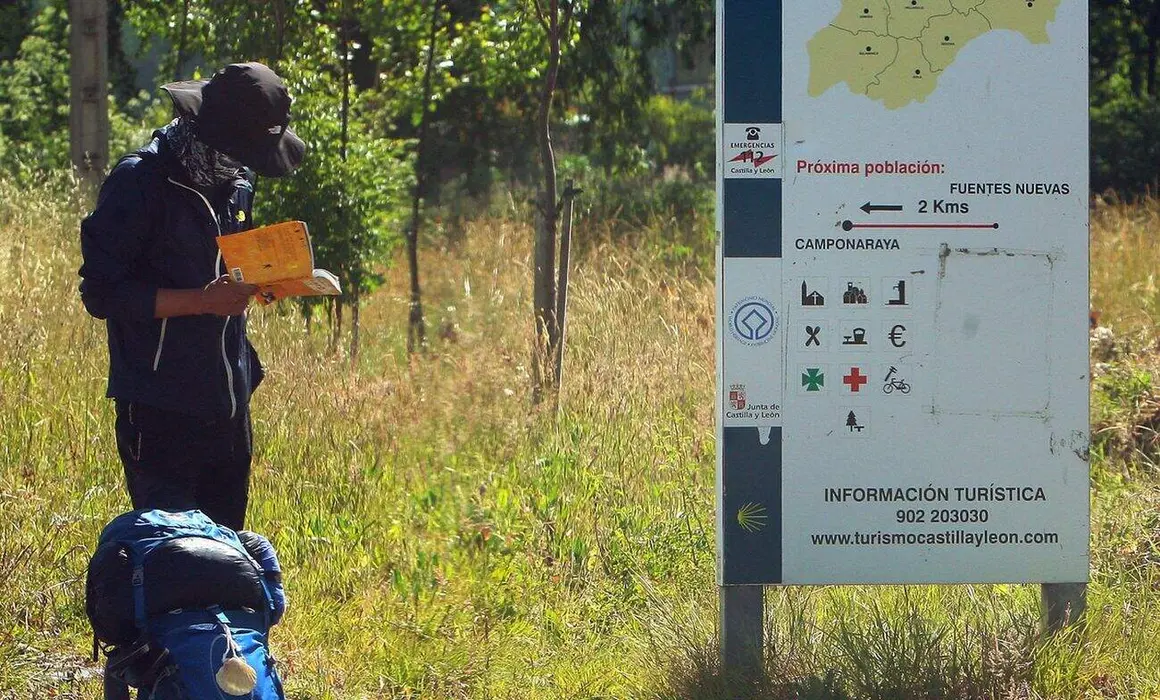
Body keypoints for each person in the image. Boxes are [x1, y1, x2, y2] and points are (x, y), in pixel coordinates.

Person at [78, 62, 306, 532]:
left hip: (228, 400)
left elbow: (226, 268)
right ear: (211, 133)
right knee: (175, 557)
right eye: (244, 151)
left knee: (227, 550)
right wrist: (202, 301)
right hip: (161, 409)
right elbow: (102, 294)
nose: (247, 165)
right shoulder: (139, 183)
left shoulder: (237, 179)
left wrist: (266, 281)